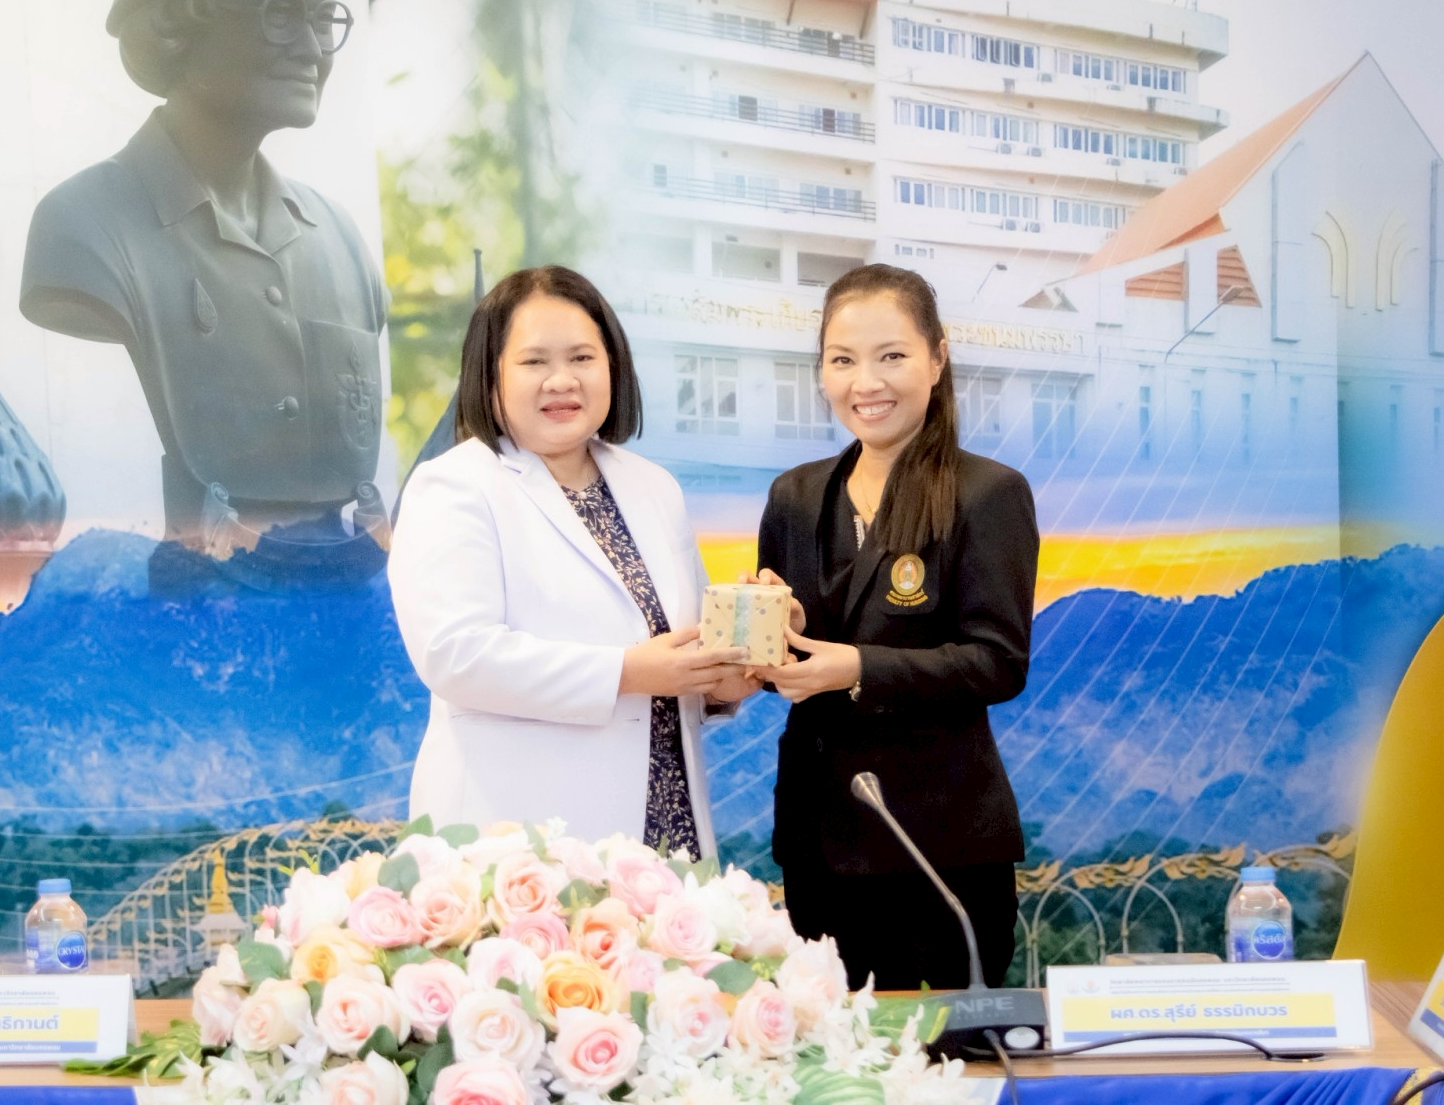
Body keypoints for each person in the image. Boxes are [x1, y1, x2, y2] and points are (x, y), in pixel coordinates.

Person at [21, 0, 388, 551]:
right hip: (193, 596)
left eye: (325, 19)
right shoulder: (84, 228)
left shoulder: (341, 242)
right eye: (283, 14)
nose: (314, 48)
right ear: (180, 30)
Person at [389, 267, 753, 855]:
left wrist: (731, 671)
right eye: (534, 361)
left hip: (668, 824)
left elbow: (679, 648)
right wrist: (627, 672)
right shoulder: (453, 485)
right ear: (489, 376)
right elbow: (456, 655)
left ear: (613, 366)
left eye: (583, 358)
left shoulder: (653, 486)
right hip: (522, 838)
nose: (562, 380)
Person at [746, 263, 1038, 990]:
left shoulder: (988, 493)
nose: (865, 382)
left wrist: (858, 667)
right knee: (828, 1052)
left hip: (938, 848)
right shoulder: (794, 496)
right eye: (842, 360)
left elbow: (997, 661)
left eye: (892, 356)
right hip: (817, 844)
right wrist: (775, 634)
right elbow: (783, 666)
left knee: (940, 1054)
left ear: (938, 358)